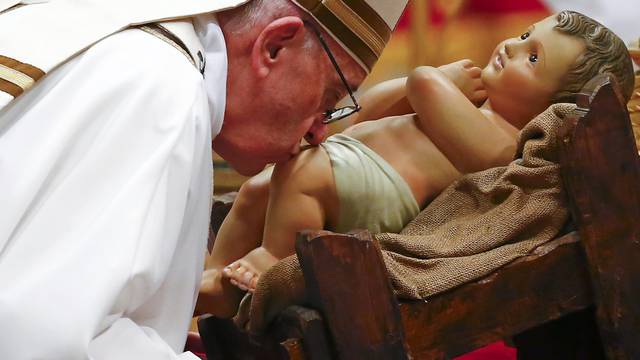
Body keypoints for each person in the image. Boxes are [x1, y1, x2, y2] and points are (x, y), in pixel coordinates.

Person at [0, 0, 409, 359]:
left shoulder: (98, 35)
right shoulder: (163, 90)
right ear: (275, 45)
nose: (319, 132)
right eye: (329, 98)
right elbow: (49, 341)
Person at [196, 10, 635, 318]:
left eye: (533, 58)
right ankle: (215, 274)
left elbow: (425, 86)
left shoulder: (504, 143)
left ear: (551, 107)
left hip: (376, 195)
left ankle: (275, 257)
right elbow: (368, 107)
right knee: (260, 187)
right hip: (347, 165)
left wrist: (434, 78)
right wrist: (411, 83)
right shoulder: (473, 101)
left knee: (302, 175)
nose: (512, 49)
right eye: (524, 36)